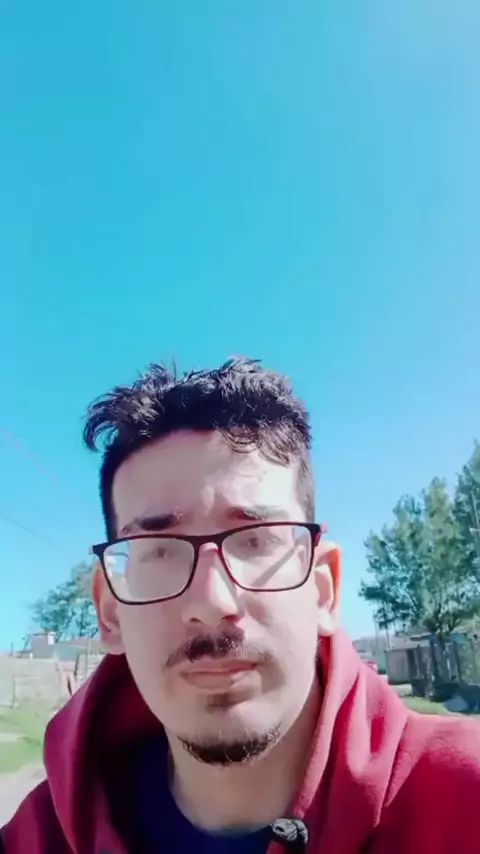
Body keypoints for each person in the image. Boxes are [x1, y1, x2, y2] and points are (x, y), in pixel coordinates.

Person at [2, 357, 480, 854]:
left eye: (256, 540)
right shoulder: (35, 840)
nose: (212, 602)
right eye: (160, 551)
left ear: (325, 590)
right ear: (110, 611)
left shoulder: (465, 802)